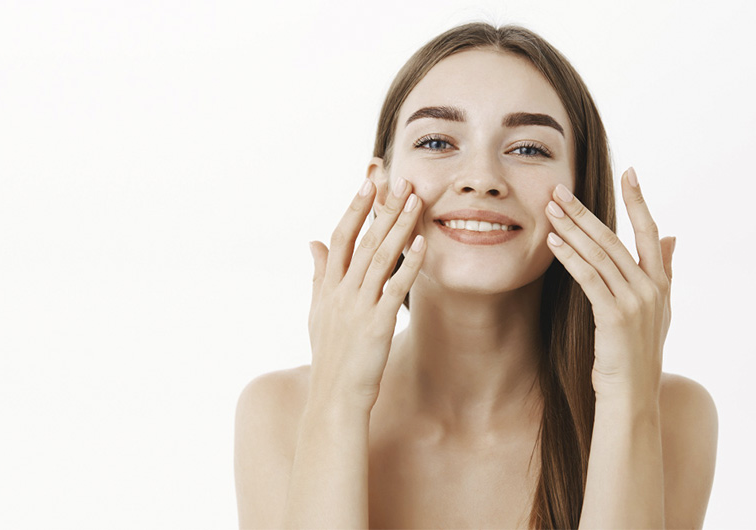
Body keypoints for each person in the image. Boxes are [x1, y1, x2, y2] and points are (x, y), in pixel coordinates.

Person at [234, 22, 718, 529]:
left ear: (582, 190)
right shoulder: (280, 411)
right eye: (438, 141)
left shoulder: (673, 414)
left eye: (529, 149)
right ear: (379, 189)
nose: (482, 179)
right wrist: (337, 400)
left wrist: (625, 396)